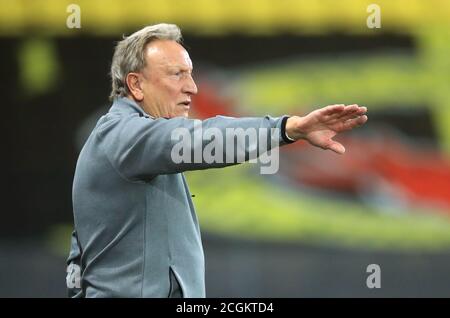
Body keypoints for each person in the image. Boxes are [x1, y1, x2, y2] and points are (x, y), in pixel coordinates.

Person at [66, 23, 368, 298]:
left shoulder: (123, 142)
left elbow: (80, 258)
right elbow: (204, 139)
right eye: (177, 74)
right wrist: (285, 128)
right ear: (136, 85)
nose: (192, 87)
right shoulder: (125, 135)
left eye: (191, 74)